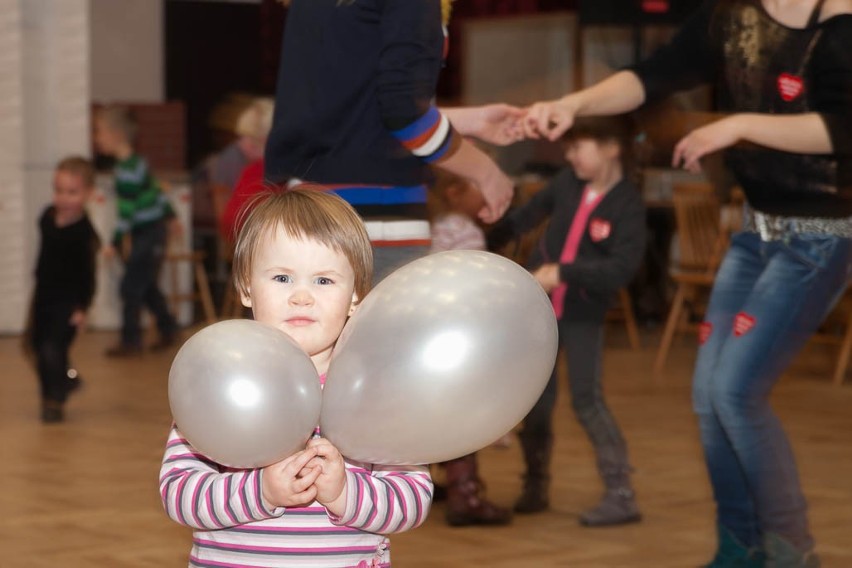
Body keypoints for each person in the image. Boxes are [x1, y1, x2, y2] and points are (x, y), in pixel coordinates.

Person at [524, 0, 852, 565]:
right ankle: (739, 545)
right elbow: (650, 78)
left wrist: (737, 125)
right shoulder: (731, 17)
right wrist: (571, 104)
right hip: (755, 233)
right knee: (708, 395)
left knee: (736, 393)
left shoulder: (841, 26)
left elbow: (843, 129)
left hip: (819, 237)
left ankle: (791, 551)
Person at [159, 188, 433, 567]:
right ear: (245, 287)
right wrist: (261, 492)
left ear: (356, 296)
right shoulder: (219, 384)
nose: (301, 296)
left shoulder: (375, 393)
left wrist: (345, 493)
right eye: (282, 277)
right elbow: (179, 493)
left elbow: (414, 500)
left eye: (323, 281)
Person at [265, 0, 522, 280]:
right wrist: (485, 172)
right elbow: (407, 119)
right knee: (384, 322)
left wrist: (469, 121)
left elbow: (349, 107)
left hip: (309, 206)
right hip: (376, 216)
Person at [489, 116, 646, 527]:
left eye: (580, 147)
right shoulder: (566, 184)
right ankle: (534, 485)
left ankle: (621, 493)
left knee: (586, 399)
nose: (571, 155)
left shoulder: (627, 205)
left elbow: (620, 269)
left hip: (581, 316)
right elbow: (525, 217)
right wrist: (485, 233)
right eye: (570, 148)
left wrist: (563, 273)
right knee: (536, 404)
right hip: (540, 316)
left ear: (611, 148)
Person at [426, 171, 513, 527]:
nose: (486, 193)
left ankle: (430, 480)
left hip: (429, 332)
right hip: (459, 334)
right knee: (465, 415)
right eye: (481, 184)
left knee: (434, 411)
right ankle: (466, 494)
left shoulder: (434, 227)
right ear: (455, 192)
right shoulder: (467, 233)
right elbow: (475, 288)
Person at [93, 105, 179, 357]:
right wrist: (171, 216)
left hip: (150, 233)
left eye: (99, 132)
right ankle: (168, 328)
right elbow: (155, 192)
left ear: (116, 134)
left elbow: (127, 213)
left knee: (131, 288)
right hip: (149, 232)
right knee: (145, 284)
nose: (96, 138)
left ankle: (131, 342)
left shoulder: (127, 170)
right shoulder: (135, 164)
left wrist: (113, 242)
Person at [28, 156, 100, 423]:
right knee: (36, 346)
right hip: (43, 295)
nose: (64, 198)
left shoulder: (85, 234)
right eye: (59, 190)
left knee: (52, 349)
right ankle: (67, 379)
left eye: (72, 192)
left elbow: (88, 276)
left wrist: (82, 308)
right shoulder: (47, 217)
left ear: (88, 194)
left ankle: (53, 401)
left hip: (68, 303)